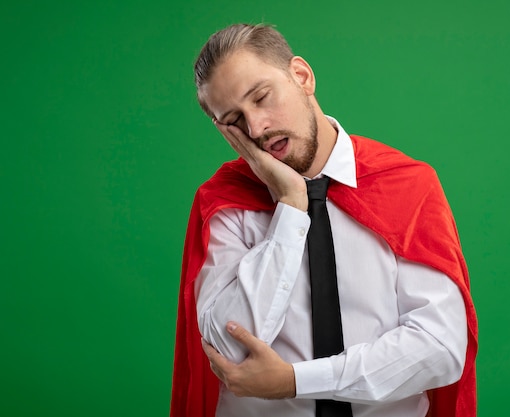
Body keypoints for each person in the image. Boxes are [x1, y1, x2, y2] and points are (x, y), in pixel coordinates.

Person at [171, 23, 478, 417]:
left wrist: (295, 380)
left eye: (262, 98)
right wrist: (292, 206)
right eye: (234, 121)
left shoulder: (407, 185)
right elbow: (230, 349)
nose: (257, 128)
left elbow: (440, 347)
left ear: (301, 76)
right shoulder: (224, 203)